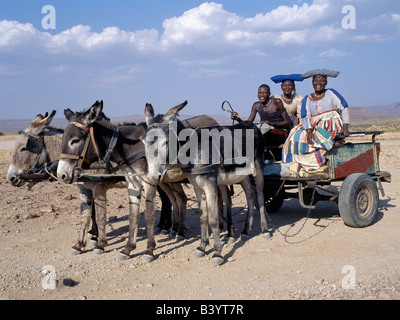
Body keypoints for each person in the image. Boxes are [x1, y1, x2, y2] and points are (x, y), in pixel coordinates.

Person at [282, 68, 350, 172]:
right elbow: (306, 116)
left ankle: (314, 166)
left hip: (330, 124)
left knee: (319, 140)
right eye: (316, 81)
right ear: (312, 83)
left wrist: (345, 127)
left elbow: (344, 107)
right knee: (294, 136)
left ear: (326, 82)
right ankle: (295, 166)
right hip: (313, 126)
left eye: (322, 80)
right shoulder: (307, 98)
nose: (318, 83)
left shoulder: (331, 93)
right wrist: (309, 132)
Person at [231, 84, 292, 148]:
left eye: (264, 93)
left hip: (280, 133)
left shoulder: (277, 102)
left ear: (269, 94)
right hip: (264, 132)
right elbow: (248, 124)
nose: (262, 95)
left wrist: (272, 123)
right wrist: (238, 119)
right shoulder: (256, 105)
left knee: (263, 130)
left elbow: (288, 123)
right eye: (260, 93)